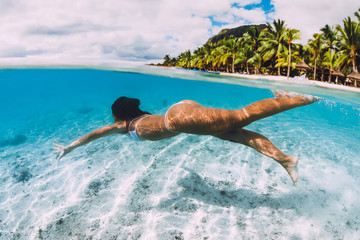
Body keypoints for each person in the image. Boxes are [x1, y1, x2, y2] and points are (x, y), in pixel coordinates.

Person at [54, 91, 319, 186]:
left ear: (118, 115)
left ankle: (299, 97)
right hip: (180, 115)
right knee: (238, 136)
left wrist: (70, 147)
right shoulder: (138, 119)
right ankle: (286, 161)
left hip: (177, 120)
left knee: (242, 115)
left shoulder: (123, 125)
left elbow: (92, 135)